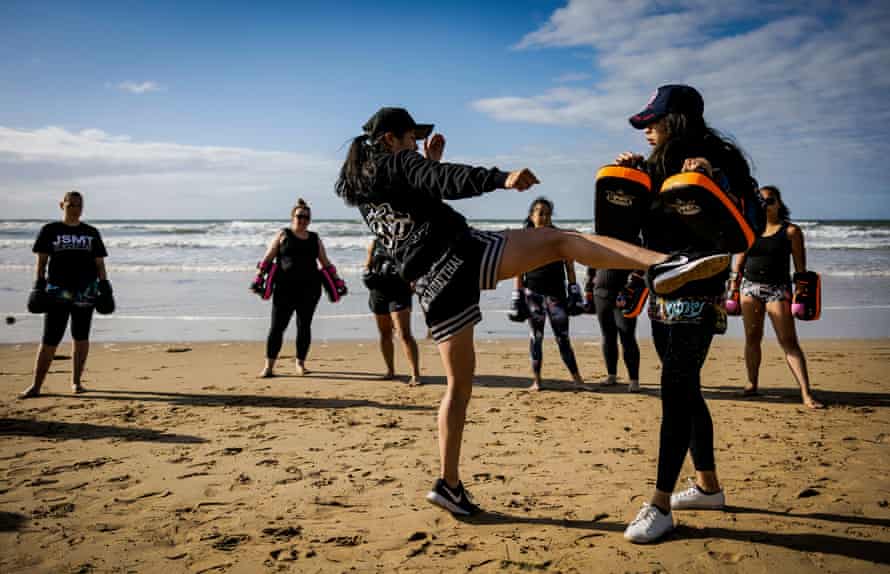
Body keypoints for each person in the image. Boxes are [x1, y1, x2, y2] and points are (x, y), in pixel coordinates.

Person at [334, 106, 730, 517]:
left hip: (433, 283)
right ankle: (664, 263)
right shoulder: (400, 161)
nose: (416, 144)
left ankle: (449, 483)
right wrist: (499, 178)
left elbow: (417, 207)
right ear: (389, 140)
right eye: (410, 138)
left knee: (459, 386)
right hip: (463, 254)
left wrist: (427, 163)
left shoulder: (367, 185)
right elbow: (445, 180)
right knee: (560, 240)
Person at [615, 85, 759, 543]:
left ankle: (659, 504)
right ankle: (708, 486)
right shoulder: (656, 164)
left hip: (700, 288)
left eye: (653, 122)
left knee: (675, 387)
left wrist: (716, 178)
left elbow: (750, 222)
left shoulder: (723, 158)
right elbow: (637, 226)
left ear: (676, 120)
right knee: (685, 386)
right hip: (661, 285)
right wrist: (630, 179)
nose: (647, 131)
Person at [732, 186, 823, 409]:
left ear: (779, 203)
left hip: (777, 290)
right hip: (749, 289)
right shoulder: (750, 229)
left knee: (789, 342)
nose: (766, 205)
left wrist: (801, 296)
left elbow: (801, 270)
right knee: (752, 339)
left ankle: (806, 393)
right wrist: (733, 286)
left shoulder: (791, 232)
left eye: (770, 201)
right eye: (761, 202)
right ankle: (752, 383)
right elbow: (740, 262)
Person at [19, 191, 110, 398]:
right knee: (50, 338)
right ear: (62, 205)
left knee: (81, 337)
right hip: (57, 291)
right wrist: (38, 285)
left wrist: (105, 286)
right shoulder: (50, 230)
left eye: (79, 206)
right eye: (71, 206)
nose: (76, 210)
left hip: (86, 291)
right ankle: (36, 386)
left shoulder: (91, 232)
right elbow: (41, 262)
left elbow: (99, 263)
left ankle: (76, 383)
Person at [256, 199, 334, 378]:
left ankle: (300, 364)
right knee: (277, 327)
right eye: (300, 216)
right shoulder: (283, 234)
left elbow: (325, 262)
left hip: (310, 289)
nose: (303, 219)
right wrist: (259, 277)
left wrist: (336, 280)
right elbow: (268, 257)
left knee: (304, 326)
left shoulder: (314, 238)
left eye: (307, 217)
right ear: (293, 217)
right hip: (284, 288)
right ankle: (269, 366)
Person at [513, 198, 584, 391]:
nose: (543, 216)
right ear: (532, 216)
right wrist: (517, 295)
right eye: (539, 212)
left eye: (547, 213)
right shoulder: (525, 239)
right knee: (536, 337)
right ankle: (537, 381)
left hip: (556, 295)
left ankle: (578, 380)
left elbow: (569, 266)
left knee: (563, 338)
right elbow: (518, 269)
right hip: (532, 295)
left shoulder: (558, 237)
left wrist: (574, 291)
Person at [364, 238, 422, 385]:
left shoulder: (407, 241)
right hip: (379, 292)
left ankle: (415, 374)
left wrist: (414, 283)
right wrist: (366, 275)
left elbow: (417, 266)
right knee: (385, 333)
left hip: (399, 292)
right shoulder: (375, 242)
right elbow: (368, 264)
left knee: (404, 333)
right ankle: (390, 371)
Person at [593, 267, 642, 391]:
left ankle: (634, 380)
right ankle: (611, 375)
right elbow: (591, 265)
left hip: (624, 296)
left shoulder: (631, 246)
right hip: (600, 295)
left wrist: (630, 288)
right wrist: (588, 289)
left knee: (627, 336)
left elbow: (641, 268)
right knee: (607, 336)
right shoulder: (600, 247)